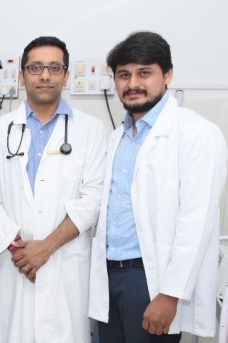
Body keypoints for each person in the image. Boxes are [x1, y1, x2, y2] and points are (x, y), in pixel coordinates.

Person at [89, 31, 228, 342]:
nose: (132, 83)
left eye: (144, 73)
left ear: (167, 74)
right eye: (123, 75)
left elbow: (197, 222)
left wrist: (170, 294)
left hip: (151, 281)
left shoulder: (197, 133)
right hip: (109, 277)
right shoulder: (118, 138)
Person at [0, 36, 107, 342]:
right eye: (36, 67)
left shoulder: (91, 130)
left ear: (66, 75)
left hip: (64, 264)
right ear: (21, 74)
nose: (45, 75)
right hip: (13, 264)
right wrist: (18, 249)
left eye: (54, 67)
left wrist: (45, 247)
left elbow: (92, 199)